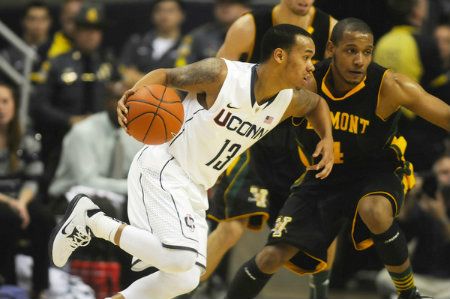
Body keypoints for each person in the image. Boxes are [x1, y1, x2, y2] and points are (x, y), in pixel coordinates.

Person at [49, 24, 334, 299]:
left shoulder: (288, 101)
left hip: (196, 185)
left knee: (186, 277)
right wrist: (131, 97)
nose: (312, 65)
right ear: (280, 55)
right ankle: (92, 221)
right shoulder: (221, 75)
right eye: (306, 56)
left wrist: (326, 139)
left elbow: (317, 105)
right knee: (179, 256)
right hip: (165, 166)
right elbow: (165, 75)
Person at [224, 18, 450, 299]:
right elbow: (253, 109)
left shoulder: (389, 86)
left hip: (377, 170)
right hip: (323, 177)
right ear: (331, 49)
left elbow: (445, 116)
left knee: (374, 210)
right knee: (270, 256)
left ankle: (408, 293)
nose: (360, 60)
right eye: (351, 51)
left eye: (367, 52)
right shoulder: (306, 82)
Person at [206, 1, 337, 297]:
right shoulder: (249, 26)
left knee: (323, 223)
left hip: (301, 139)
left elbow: (332, 93)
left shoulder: (330, 28)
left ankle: (321, 291)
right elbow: (215, 82)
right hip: (252, 135)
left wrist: (330, 137)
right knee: (230, 228)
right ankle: (182, 290)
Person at [31, 2, 116, 195]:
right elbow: (38, 106)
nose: (91, 35)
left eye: (96, 30)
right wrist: (69, 120)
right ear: (75, 31)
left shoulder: (108, 63)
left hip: (102, 141)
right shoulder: (57, 63)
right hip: (61, 139)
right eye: (86, 29)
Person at [374, 0, 447, 172]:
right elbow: (442, 93)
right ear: (416, 13)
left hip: (385, 132)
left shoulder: (382, 42)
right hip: (419, 136)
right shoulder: (425, 43)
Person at [48, 80, 142, 214]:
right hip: (70, 194)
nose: (124, 104)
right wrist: (130, 186)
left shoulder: (136, 134)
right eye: (118, 98)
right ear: (106, 101)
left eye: (130, 99)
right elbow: (87, 180)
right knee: (101, 208)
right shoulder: (83, 131)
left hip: (115, 196)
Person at [0, 82, 54, 299]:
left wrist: (21, 202)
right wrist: (10, 202)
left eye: (5, 101)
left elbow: (33, 178)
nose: (1, 107)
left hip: (19, 198)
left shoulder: (25, 138)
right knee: (7, 219)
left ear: (14, 105)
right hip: (3, 201)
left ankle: (39, 288)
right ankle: (9, 285)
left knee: (43, 218)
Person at [377, 154, 450, 299]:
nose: (447, 177)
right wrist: (410, 195)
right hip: (421, 277)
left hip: (446, 280)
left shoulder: (437, 209)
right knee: (383, 278)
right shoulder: (424, 202)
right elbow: (403, 225)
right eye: (443, 173)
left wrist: (441, 218)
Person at [119, 0, 185, 87]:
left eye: (170, 10)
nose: (164, 15)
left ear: (181, 15)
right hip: (137, 99)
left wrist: (138, 78)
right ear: (153, 15)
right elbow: (125, 73)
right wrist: (163, 82)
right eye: (159, 10)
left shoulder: (188, 46)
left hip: (173, 100)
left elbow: (183, 85)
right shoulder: (137, 42)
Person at [175, 0, 250, 66]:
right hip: (205, 80)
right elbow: (181, 65)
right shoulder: (200, 35)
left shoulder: (255, 35)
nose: (225, 7)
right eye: (221, 3)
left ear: (245, 8)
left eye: (232, 3)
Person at [1, 1, 52, 84]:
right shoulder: (9, 55)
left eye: (43, 19)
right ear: (24, 21)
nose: (38, 24)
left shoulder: (59, 52)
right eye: (33, 19)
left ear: (49, 22)